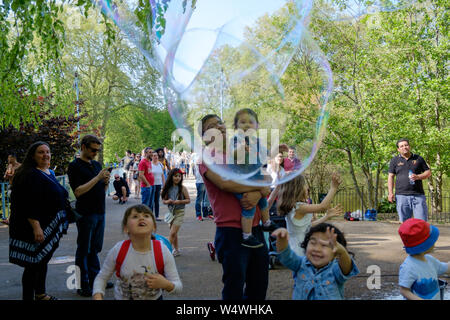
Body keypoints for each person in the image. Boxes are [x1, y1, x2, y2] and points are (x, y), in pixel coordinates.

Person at [198, 114, 271, 300]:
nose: (219, 127)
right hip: (230, 232)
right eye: (212, 126)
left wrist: (258, 192)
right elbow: (226, 184)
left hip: (255, 229)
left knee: (259, 284)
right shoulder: (206, 158)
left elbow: (266, 177)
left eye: (220, 123)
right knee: (234, 288)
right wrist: (258, 189)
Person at [9, 141, 69, 300]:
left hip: (48, 224)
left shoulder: (48, 171)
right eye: (41, 152)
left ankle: (41, 294)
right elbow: (29, 203)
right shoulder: (30, 174)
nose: (46, 155)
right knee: (32, 265)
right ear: (33, 155)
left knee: (42, 262)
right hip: (34, 227)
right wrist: (36, 227)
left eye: (48, 152)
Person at [92, 204, 182, 300]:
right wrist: (97, 294)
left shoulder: (162, 251)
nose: (141, 218)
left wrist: (166, 284)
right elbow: (102, 278)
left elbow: (178, 286)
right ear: (126, 228)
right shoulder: (118, 250)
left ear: (154, 227)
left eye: (146, 216)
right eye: (135, 216)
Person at [67, 134, 111, 297]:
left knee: (94, 249)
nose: (95, 153)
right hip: (86, 213)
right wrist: (97, 178)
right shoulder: (74, 166)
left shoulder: (96, 165)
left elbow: (101, 190)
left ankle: (95, 280)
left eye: (97, 150)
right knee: (83, 249)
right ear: (83, 147)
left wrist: (105, 182)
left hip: (100, 211)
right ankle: (80, 283)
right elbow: (78, 191)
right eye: (93, 150)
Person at [272, 223, 359, 299]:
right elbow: (286, 257)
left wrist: (342, 252)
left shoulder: (335, 269)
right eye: (313, 243)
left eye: (324, 245)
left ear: (336, 253)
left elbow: (346, 269)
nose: (317, 249)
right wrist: (282, 240)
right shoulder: (300, 264)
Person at [230, 108, 277, 248]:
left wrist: (277, 149)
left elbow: (266, 156)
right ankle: (247, 235)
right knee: (249, 206)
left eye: (251, 122)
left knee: (263, 202)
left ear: (257, 126)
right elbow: (233, 156)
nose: (247, 125)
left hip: (256, 180)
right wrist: (241, 149)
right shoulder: (236, 140)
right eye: (242, 122)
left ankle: (267, 222)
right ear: (236, 126)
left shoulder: (257, 141)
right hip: (243, 182)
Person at [276, 173, 343, 257]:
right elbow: (323, 206)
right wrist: (333, 188)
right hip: (300, 249)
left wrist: (326, 216)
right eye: (305, 185)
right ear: (297, 189)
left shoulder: (295, 207)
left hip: (298, 246)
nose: (307, 188)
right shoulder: (298, 207)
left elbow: (307, 227)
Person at [398, 218, 449, 300]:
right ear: (424, 245)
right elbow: (404, 290)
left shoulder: (430, 260)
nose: (435, 243)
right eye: (433, 241)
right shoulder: (408, 267)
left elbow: (446, 268)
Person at [388, 138, 431, 222]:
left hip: (418, 195)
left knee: (421, 223)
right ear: (398, 149)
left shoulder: (418, 158)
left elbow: (428, 172)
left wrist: (418, 177)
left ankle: (421, 236)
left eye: (406, 145)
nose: (404, 147)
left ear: (409, 146)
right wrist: (390, 193)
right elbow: (391, 176)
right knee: (405, 224)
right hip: (401, 196)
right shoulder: (394, 160)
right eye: (402, 146)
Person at [161, 168, 190, 257]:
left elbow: (188, 200)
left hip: (179, 212)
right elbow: (163, 200)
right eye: (175, 176)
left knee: (172, 233)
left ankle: (166, 252)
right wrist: (168, 201)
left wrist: (180, 202)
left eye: (179, 176)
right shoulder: (167, 188)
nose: (177, 178)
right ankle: (176, 250)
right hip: (171, 212)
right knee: (174, 233)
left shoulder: (182, 188)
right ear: (171, 177)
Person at [151, 151, 165, 221]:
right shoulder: (150, 164)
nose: (155, 157)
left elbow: (162, 175)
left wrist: (164, 184)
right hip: (152, 185)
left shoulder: (160, 164)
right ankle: (150, 216)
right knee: (151, 201)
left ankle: (156, 216)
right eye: (154, 156)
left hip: (158, 184)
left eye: (156, 155)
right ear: (151, 157)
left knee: (157, 201)